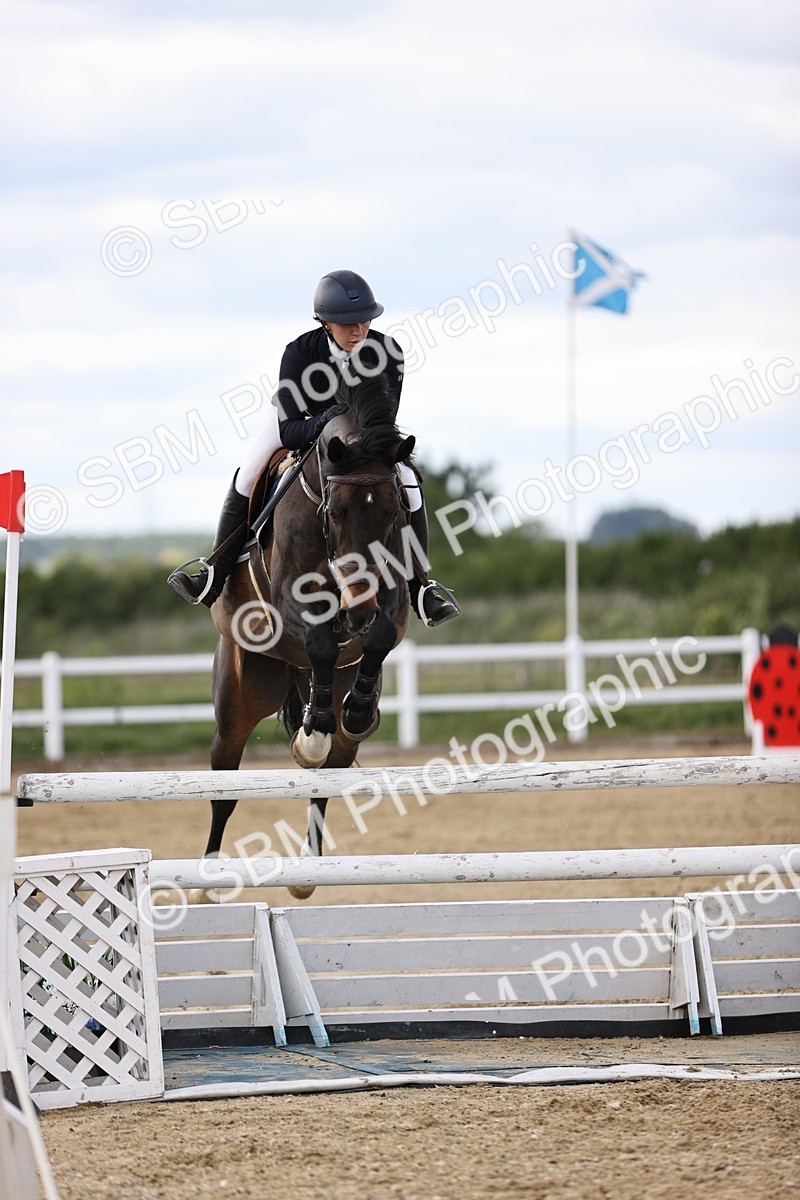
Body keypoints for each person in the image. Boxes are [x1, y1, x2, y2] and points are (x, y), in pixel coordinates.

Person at [168, 269, 460, 627]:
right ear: (325, 323)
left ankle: (421, 588)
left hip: (361, 440)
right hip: (299, 424)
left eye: (365, 320)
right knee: (248, 474)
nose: (359, 330)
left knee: (410, 485)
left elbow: (383, 422)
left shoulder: (388, 351)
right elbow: (289, 431)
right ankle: (214, 572)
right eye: (347, 323)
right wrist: (322, 423)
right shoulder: (299, 353)